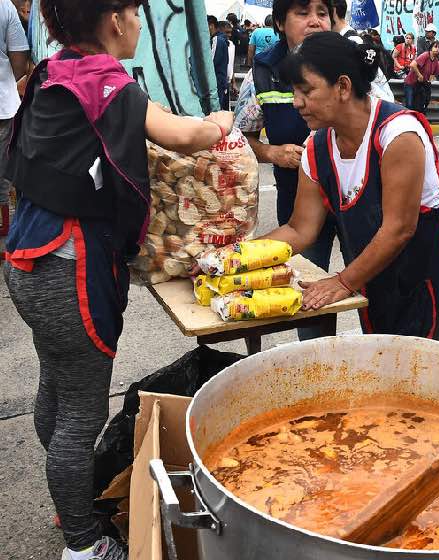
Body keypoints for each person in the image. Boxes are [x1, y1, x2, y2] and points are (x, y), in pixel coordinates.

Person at [3, 2, 234, 559]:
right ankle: (82, 545)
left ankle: (72, 499)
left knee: (57, 388)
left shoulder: (52, 71)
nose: (137, 23)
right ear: (113, 20)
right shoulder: (106, 82)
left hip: (26, 261)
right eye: (134, 12)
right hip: (69, 267)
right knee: (83, 411)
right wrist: (221, 123)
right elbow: (183, 136)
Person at [266, 32, 439, 337]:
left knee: (433, 367)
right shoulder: (316, 148)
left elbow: (399, 228)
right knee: (385, 359)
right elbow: (299, 229)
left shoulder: (398, 134)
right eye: (294, 92)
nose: (297, 103)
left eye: (306, 91)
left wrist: (343, 281)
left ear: (343, 86)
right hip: (379, 270)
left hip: (433, 272)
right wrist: (234, 256)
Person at [234, 0, 335, 343]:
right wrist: (271, 152)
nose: (315, 22)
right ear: (280, 22)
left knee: (376, 290)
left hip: (356, 202)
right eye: (303, 13)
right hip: (298, 204)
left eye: (322, 13)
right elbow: (240, 137)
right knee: (307, 292)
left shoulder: (352, 61)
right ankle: (313, 364)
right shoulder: (262, 73)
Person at [0, 0, 29, 245]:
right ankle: (4, 232)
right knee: (2, 171)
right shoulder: (4, 7)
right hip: (1, 105)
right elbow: (19, 58)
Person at [329, 0, 394, 101]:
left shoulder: (352, 42)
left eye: (321, 13)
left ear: (333, 12)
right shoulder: (345, 40)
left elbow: (368, 87)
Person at [405, 39, 439, 114]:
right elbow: (413, 64)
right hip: (411, 83)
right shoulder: (426, 55)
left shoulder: (436, 61)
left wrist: (430, 80)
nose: (437, 49)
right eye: (435, 47)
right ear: (431, 48)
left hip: (420, 85)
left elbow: (433, 76)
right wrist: (419, 75)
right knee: (409, 105)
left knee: (420, 104)